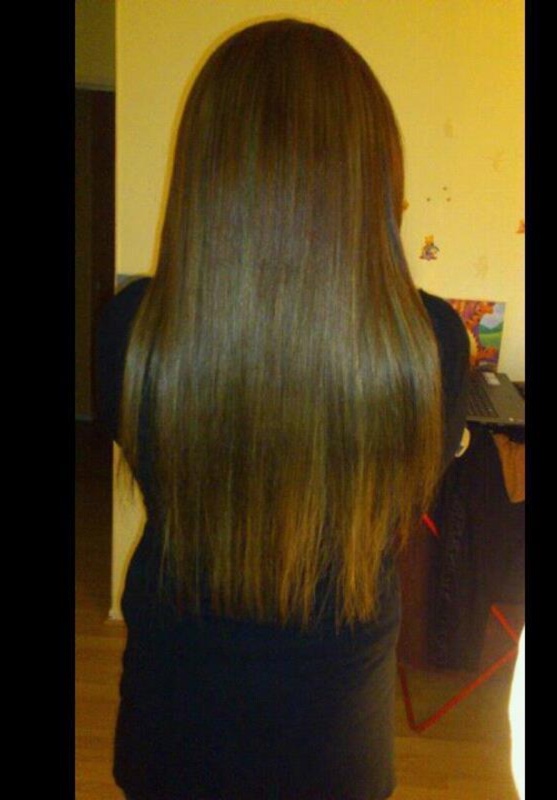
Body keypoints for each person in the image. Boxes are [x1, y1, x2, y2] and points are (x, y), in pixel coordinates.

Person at [96, 19, 469, 800]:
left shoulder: (133, 329)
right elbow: (405, 500)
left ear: (204, 174)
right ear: (371, 175)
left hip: (171, 727)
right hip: (335, 741)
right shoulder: (427, 342)